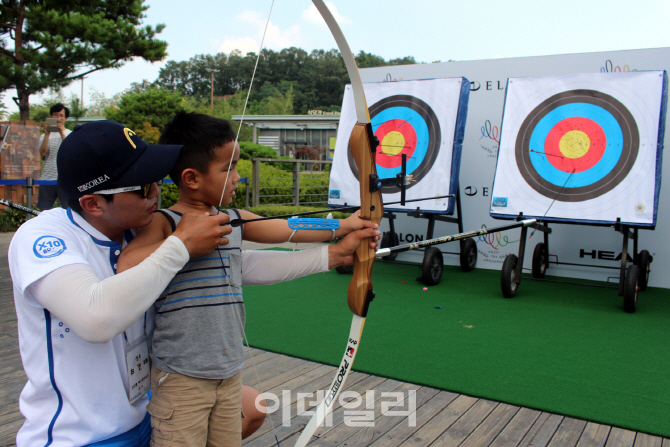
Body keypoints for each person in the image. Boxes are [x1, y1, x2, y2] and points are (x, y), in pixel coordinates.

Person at [8, 119, 380, 447]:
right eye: (142, 188)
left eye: (155, 180)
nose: (156, 192)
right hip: (88, 435)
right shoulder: (44, 236)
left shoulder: (134, 228)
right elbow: (96, 318)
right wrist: (181, 245)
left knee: (250, 406)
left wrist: (337, 248)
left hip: (148, 408)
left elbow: (238, 263)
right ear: (92, 204)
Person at [116, 112, 378, 447]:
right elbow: (128, 265)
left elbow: (288, 228)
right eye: (229, 169)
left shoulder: (233, 219)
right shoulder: (165, 222)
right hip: (180, 378)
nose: (238, 177)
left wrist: (345, 226)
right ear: (192, 178)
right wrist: (181, 242)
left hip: (228, 374)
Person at [36, 103, 71, 210]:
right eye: (55, 115)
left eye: (61, 115)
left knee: (68, 209)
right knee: (43, 210)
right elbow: (42, 152)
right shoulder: (44, 135)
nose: (58, 118)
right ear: (51, 116)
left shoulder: (71, 134)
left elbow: (69, 150)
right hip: (47, 177)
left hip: (65, 179)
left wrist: (61, 132)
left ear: (66, 118)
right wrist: (47, 134)